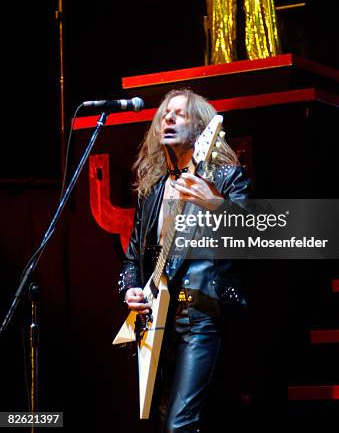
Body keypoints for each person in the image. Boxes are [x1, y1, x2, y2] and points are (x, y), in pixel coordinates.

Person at [118, 88, 251, 432]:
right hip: (159, 319)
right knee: (163, 420)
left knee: (181, 424)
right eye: (165, 114)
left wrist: (216, 203)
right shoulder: (153, 190)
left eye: (179, 113)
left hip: (202, 315)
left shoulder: (224, 178)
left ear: (202, 128)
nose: (169, 118)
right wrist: (131, 288)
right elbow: (133, 257)